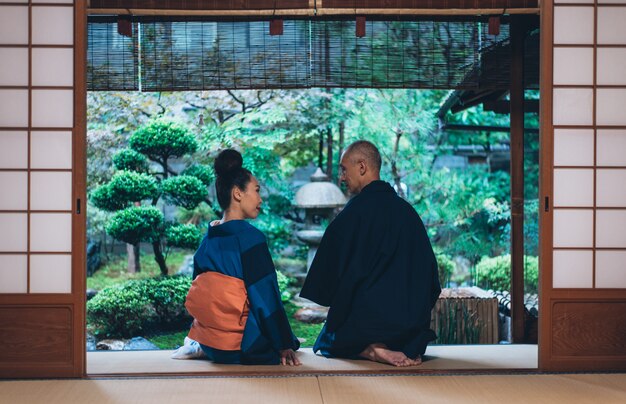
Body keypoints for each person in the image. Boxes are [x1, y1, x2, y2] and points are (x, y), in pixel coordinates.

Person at [300, 140, 441, 367]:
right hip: (408, 328)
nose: (342, 177)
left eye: (344, 169)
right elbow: (432, 281)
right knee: (411, 333)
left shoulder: (353, 214)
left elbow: (327, 280)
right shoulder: (408, 213)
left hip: (366, 325)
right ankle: (400, 345)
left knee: (328, 338)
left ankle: (371, 348)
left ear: (362, 167)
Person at [184, 149, 300, 366]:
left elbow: (201, 294)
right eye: (256, 191)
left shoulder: (207, 239)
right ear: (238, 193)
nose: (260, 199)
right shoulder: (250, 238)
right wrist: (284, 343)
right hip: (242, 348)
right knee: (287, 344)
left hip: (211, 343)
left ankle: (196, 345)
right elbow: (266, 297)